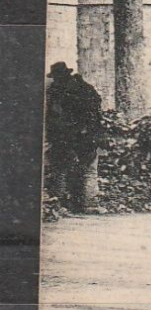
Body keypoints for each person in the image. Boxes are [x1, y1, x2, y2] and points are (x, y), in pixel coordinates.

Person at [44, 62, 101, 212]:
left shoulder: (59, 91)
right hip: (89, 134)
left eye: (56, 77)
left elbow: (57, 117)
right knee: (88, 170)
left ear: (59, 77)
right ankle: (89, 204)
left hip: (70, 136)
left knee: (61, 168)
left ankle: (58, 204)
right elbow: (96, 107)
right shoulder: (85, 88)